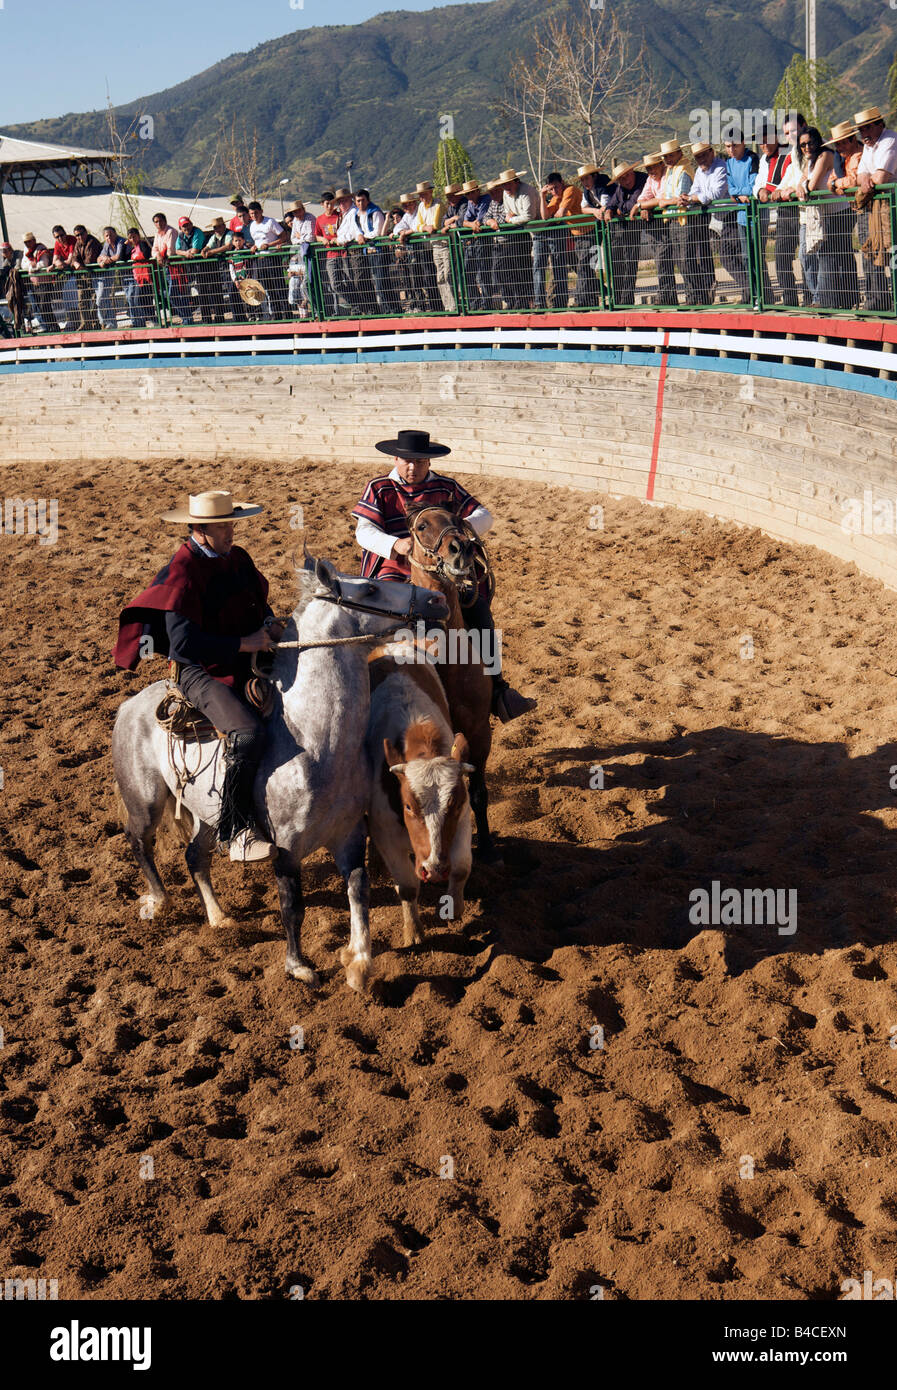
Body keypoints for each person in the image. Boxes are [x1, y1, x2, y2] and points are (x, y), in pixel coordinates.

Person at [113, 489, 283, 863]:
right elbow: (184, 645)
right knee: (247, 734)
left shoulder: (236, 558)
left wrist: (270, 625)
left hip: (248, 658)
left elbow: (259, 603)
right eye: (222, 526)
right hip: (199, 672)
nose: (230, 532)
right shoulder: (183, 572)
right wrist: (243, 643)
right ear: (200, 530)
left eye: (231, 524)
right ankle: (235, 829)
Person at [352, 428, 536, 723]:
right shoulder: (379, 487)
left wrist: (457, 529)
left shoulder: (446, 487)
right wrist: (395, 544)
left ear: (429, 461)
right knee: (375, 621)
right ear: (395, 459)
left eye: (420, 461)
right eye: (406, 460)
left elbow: (483, 515)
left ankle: (497, 689)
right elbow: (364, 530)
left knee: (478, 612)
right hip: (395, 567)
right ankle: (364, 689)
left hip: (442, 568)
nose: (413, 467)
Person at [853, 106, 897, 312]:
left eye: (868, 128)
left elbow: (880, 178)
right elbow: (861, 176)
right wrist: (866, 180)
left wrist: (867, 180)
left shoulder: (890, 140)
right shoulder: (869, 147)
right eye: (861, 130)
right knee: (873, 251)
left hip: (891, 205)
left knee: (892, 252)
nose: (864, 133)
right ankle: (880, 301)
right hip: (877, 207)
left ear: (880, 124)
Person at [753, 126, 802, 307]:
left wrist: (773, 190)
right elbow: (759, 183)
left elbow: (787, 179)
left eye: (766, 140)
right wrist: (760, 191)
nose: (763, 144)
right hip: (783, 210)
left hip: (796, 208)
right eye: (760, 141)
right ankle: (790, 299)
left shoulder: (788, 154)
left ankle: (812, 296)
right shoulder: (764, 159)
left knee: (806, 256)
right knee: (781, 256)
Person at [678, 142, 727, 304]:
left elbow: (714, 193)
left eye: (703, 155)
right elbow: (695, 192)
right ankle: (706, 291)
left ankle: (752, 295)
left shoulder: (721, 167)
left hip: (727, 215)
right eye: (697, 157)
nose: (700, 159)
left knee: (729, 256)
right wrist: (689, 198)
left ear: (712, 153)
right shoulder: (699, 171)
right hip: (711, 217)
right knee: (710, 254)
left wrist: (691, 199)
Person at [823, 121, 863, 310]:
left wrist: (838, 184)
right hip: (852, 206)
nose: (839, 147)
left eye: (843, 143)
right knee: (843, 251)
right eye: (837, 144)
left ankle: (854, 296)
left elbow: (853, 180)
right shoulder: (841, 159)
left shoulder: (859, 155)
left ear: (852, 140)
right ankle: (847, 297)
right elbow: (833, 181)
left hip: (856, 208)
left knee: (848, 251)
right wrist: (839, 184)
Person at [601, 160, 647, 305]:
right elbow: (612, 203)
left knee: (630, 264)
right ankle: (617, 298)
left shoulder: (642, 181)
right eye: (621, 178)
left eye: (627, 176)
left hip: (633, 228)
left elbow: (633, 202)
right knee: (615, 263)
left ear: (632, 173)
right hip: (619, 229)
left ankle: (626, 300)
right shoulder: (620, 188)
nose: (625, 180)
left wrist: (619, 209)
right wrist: (609, 210)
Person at [337, 187, 388, 313]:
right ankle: (375, 309)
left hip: (378, 250)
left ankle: (390, 310)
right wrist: (360, 235)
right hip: (366, 251)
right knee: (367, 282)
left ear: (368, 200)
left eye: (362, 200)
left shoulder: (374, 212)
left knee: (381, 282)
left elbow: (377, 231)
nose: (360, 203)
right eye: (358, 201)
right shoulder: (356, 214)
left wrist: (363, 236)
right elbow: (357, 230)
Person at [535, 171, 581, 310]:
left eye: (556, 187)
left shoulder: (570, 190)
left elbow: (560, 214)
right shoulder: (556, 197)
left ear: (562, 182)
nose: (554, 191)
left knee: (583, 268)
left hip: (585, 231)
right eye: (551, 189)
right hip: (574, 234)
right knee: (579, 268)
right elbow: (545, 216)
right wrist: (542, 197)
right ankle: (595, 292)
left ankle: (587, 297)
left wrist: (553, 217)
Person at [722, 131, 759, 302]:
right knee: (745, 256)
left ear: (743, 143)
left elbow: (752, 186)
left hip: (756, 214)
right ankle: (752, 293)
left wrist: (740, 194)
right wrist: (739, 195)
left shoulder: (752, 159)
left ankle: (763, 294)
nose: (731, 150)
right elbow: (731, 190)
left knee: (756, 256)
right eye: (728, 146)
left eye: (734, 145)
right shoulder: (728, 163)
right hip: (741, 215)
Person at [635, 151, 676, 304]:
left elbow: (662, 198)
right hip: (658, 224)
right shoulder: (650, 180)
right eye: (648, 169)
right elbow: (642, 197)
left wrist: (642, 205)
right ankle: (667, 296)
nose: (651, 171)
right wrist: (644, 207)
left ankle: (669, 296)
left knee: (668, 259)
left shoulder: (668, 176)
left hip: (671, 221)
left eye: (653, 167)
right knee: (661, 260)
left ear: (660, 164)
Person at [574, 163, 612, 307]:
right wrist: (595, 212)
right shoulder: (587, 191)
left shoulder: (603, 185)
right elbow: (583, 208)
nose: (585, 182)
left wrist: (598, 211)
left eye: (587, 179)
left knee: (610, 260)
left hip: (611, 223)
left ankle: (612, 299)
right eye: (582, 180)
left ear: (594, 176)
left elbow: (605, 205)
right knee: (593, 262)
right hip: (601, 223)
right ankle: (597, 297)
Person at [500, 167, 538, 310]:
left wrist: (512, 220)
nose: (506, 187)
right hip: (522, 233)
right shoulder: (506, 194)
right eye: (504, 185)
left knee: (529, 267)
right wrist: (514, 218)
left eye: (509, 183)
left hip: (538, 231)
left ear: (516, 181)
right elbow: (508, 212)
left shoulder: (526, 191)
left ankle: (534, 301)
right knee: (513, 267)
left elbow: (529, 217)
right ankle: (521, 300)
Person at [404, 180, 444, 313]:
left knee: (438, 276)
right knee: (428, 277)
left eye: (423, 194)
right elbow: (419, 225)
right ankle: (434, 306)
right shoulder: (421, 206)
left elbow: (435, 225)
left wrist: (424, 227)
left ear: (430, 192)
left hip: (438, 245)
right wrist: (424, 227)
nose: (421, 198)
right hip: (426, 246)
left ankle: (440, 305)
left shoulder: (438, 204)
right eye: (420, 195)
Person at [246, 201, 290, 319]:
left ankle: (287, 314)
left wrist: (269, 244)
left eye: (255, 213)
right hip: (260, 259)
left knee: (279, 287)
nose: (254, 216)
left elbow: (283, 236)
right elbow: (256, 241)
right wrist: (253, 247)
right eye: (251, 214)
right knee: (269, 289)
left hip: (272, 257)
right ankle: (276, 315)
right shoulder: (252, 225)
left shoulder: (270, 222)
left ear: (261, 211)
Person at [460, 178, 493, 311]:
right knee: (468, 271)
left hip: (483, 241)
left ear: (477, 191)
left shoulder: (485, 200)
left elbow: (480, 220)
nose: (470, 196)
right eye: (467, 194)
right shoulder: (470, 203)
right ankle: (474, 303)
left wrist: (471, 224)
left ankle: (486, 303)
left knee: (482, 272)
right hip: (473, 241)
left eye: (472, 193)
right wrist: (471, 225)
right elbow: (464, 222)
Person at [314, 190, 349, 316]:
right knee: (335, 284)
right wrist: (322, 239)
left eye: (331, 204)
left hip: (344, 253)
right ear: (322, 204)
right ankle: (353, 303)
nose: (330, 206)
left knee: (350, 281)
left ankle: (356, 306)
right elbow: (316, 235)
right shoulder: (319, 219)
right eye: (327, 204)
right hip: (330, 255)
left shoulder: (340, 216)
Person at [20, 233, 59, 333]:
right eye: (25, 242)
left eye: (29, 241)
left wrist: (33, 267)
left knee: (44, 306)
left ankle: (54, 327)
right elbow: (23, 265)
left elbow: (43, 264)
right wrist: (31, 266)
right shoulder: (26, 251)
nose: (28, 244)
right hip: (35, 284)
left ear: (34, 240)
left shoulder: (41, 249)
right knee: (40, 307)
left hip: (45, 283)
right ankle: (50, 327)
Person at [284, 200, 316, 318]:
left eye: (298, 210)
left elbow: (311, 237)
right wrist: (301, 238)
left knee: (308, 284)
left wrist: (300, 237)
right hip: (301, 254)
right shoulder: (297, 221)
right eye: (294, 212)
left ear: (303, 209)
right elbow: (294, 239)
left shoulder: (310, 218)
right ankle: (309, 312)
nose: (297, 214)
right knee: (298, 286)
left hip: (310, 254)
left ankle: (316, 311)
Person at [71, 224, 103, 330]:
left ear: (86, 232)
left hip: (95, 276)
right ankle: (85, 323)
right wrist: (75, 263)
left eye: (81, 234)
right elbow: (74, 257)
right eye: (77, 235)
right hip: (82, 277)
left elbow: (90, 260)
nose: (79, 237)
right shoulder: (77, 244)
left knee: (95, 301)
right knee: (82, 301)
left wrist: (79, 264)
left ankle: (95, 323)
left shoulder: (92, 242)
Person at [96, 225, 127, 329]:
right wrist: (103, 259)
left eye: (110, 235)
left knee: (131, 296)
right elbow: (99, 258)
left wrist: (107, 259)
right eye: (106, 236)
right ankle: (106, 323)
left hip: (128, 270)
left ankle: (139, 322)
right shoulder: (106, 244)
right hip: (118, 271)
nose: (109, 238)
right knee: (101, 298)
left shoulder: (120, 241)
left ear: (115, 233)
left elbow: (117, 256)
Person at [125, 227, 155, 327]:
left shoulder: (142, 244)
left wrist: (137, 258)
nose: (133, 239)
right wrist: (126, 246)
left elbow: (146, 254)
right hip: (138, 277)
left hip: (146, 276)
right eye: (130, 238)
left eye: (134, 237)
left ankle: (153, 319)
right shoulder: (132, 248)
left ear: (138, 236)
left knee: (141, 299)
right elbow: (123, 258)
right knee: (142, 300)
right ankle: (152, 319)